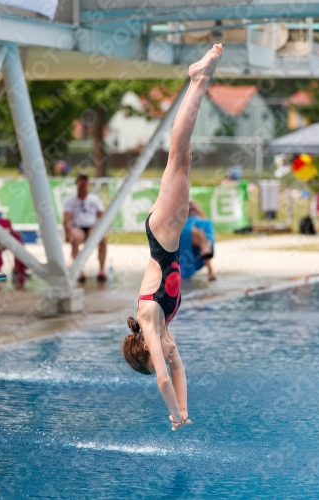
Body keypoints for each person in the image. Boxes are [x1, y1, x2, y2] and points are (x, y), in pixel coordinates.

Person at [122, 44, 223, 431]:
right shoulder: (164, 329)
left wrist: (171, 412)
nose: (167, 355)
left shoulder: (150, 318)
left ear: (146, 348)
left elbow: (163, 377)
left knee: (178, 154)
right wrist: (184, 410)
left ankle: (199, 78)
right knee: (183, 155)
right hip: (167, 231)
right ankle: (198, 82)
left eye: (157, 356)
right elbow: (178, 371)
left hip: (163, 233)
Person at [63, 172, 107, 282]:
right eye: (80, 180)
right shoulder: (69, 201)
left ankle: (102, 269)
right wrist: (68, 233)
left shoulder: (95, 199)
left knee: (102, 238)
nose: (83, 183)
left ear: (88, 183)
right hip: (78, 227)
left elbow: (102, 216)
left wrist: (103, 229)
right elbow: (66, 220)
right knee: (76, 238)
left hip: (92, 226)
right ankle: (79, 270)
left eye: (85, 180)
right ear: (76, 182)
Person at [180, 200, 216, 281]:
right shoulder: (178, 206)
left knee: (207, 224)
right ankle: (206, 249)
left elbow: (203, 216)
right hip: (185, 228)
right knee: (198, 233)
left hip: (196, 231)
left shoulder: (192, 204)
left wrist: (192, 206)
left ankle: (206, 246)